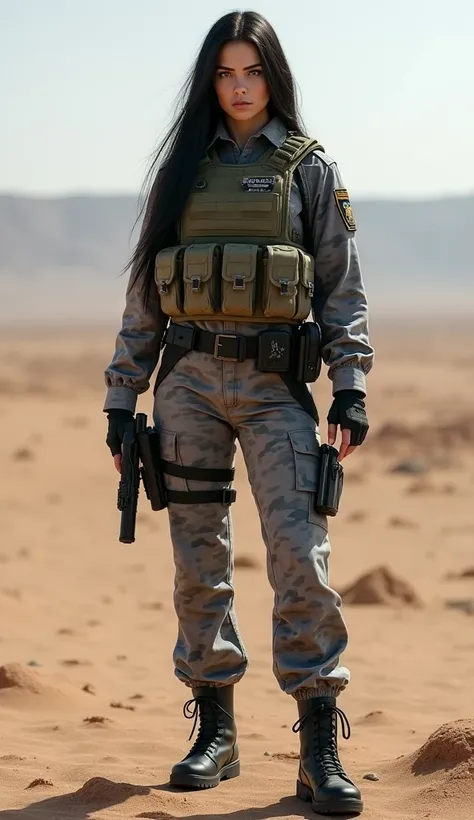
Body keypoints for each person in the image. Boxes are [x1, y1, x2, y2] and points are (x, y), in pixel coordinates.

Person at [103, 10, 374, 816]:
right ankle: (214, 732)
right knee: (198, 562)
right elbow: (145, 296)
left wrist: (350, 385)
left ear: (273, 76)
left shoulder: (310, 168)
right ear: (209, 81)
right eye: (224, 73)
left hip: (275, 386)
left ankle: (318, 741)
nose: (239, 86)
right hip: (185, 382)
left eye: (251, 71)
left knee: (300, 555)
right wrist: (124, 398)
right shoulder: (182, 170)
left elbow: (342, 287)